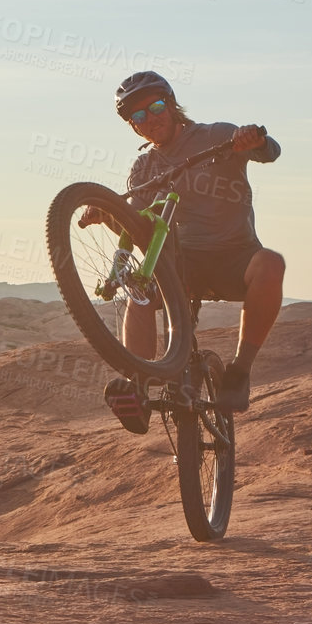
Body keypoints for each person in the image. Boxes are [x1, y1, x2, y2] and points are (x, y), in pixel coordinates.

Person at [95, 72, 284, 427]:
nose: (150, 119)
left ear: (171, 103)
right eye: (138, 116)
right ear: (132, 126)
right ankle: (136, 390)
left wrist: (253, 140)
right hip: (181, 264)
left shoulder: (215, 135)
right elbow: (139, 231)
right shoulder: (144, 167)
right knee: (139, 286)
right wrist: (108, 215)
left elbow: (270, 151)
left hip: (235, 256)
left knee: (271, 263)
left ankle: (239, 372)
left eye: (156, 107)